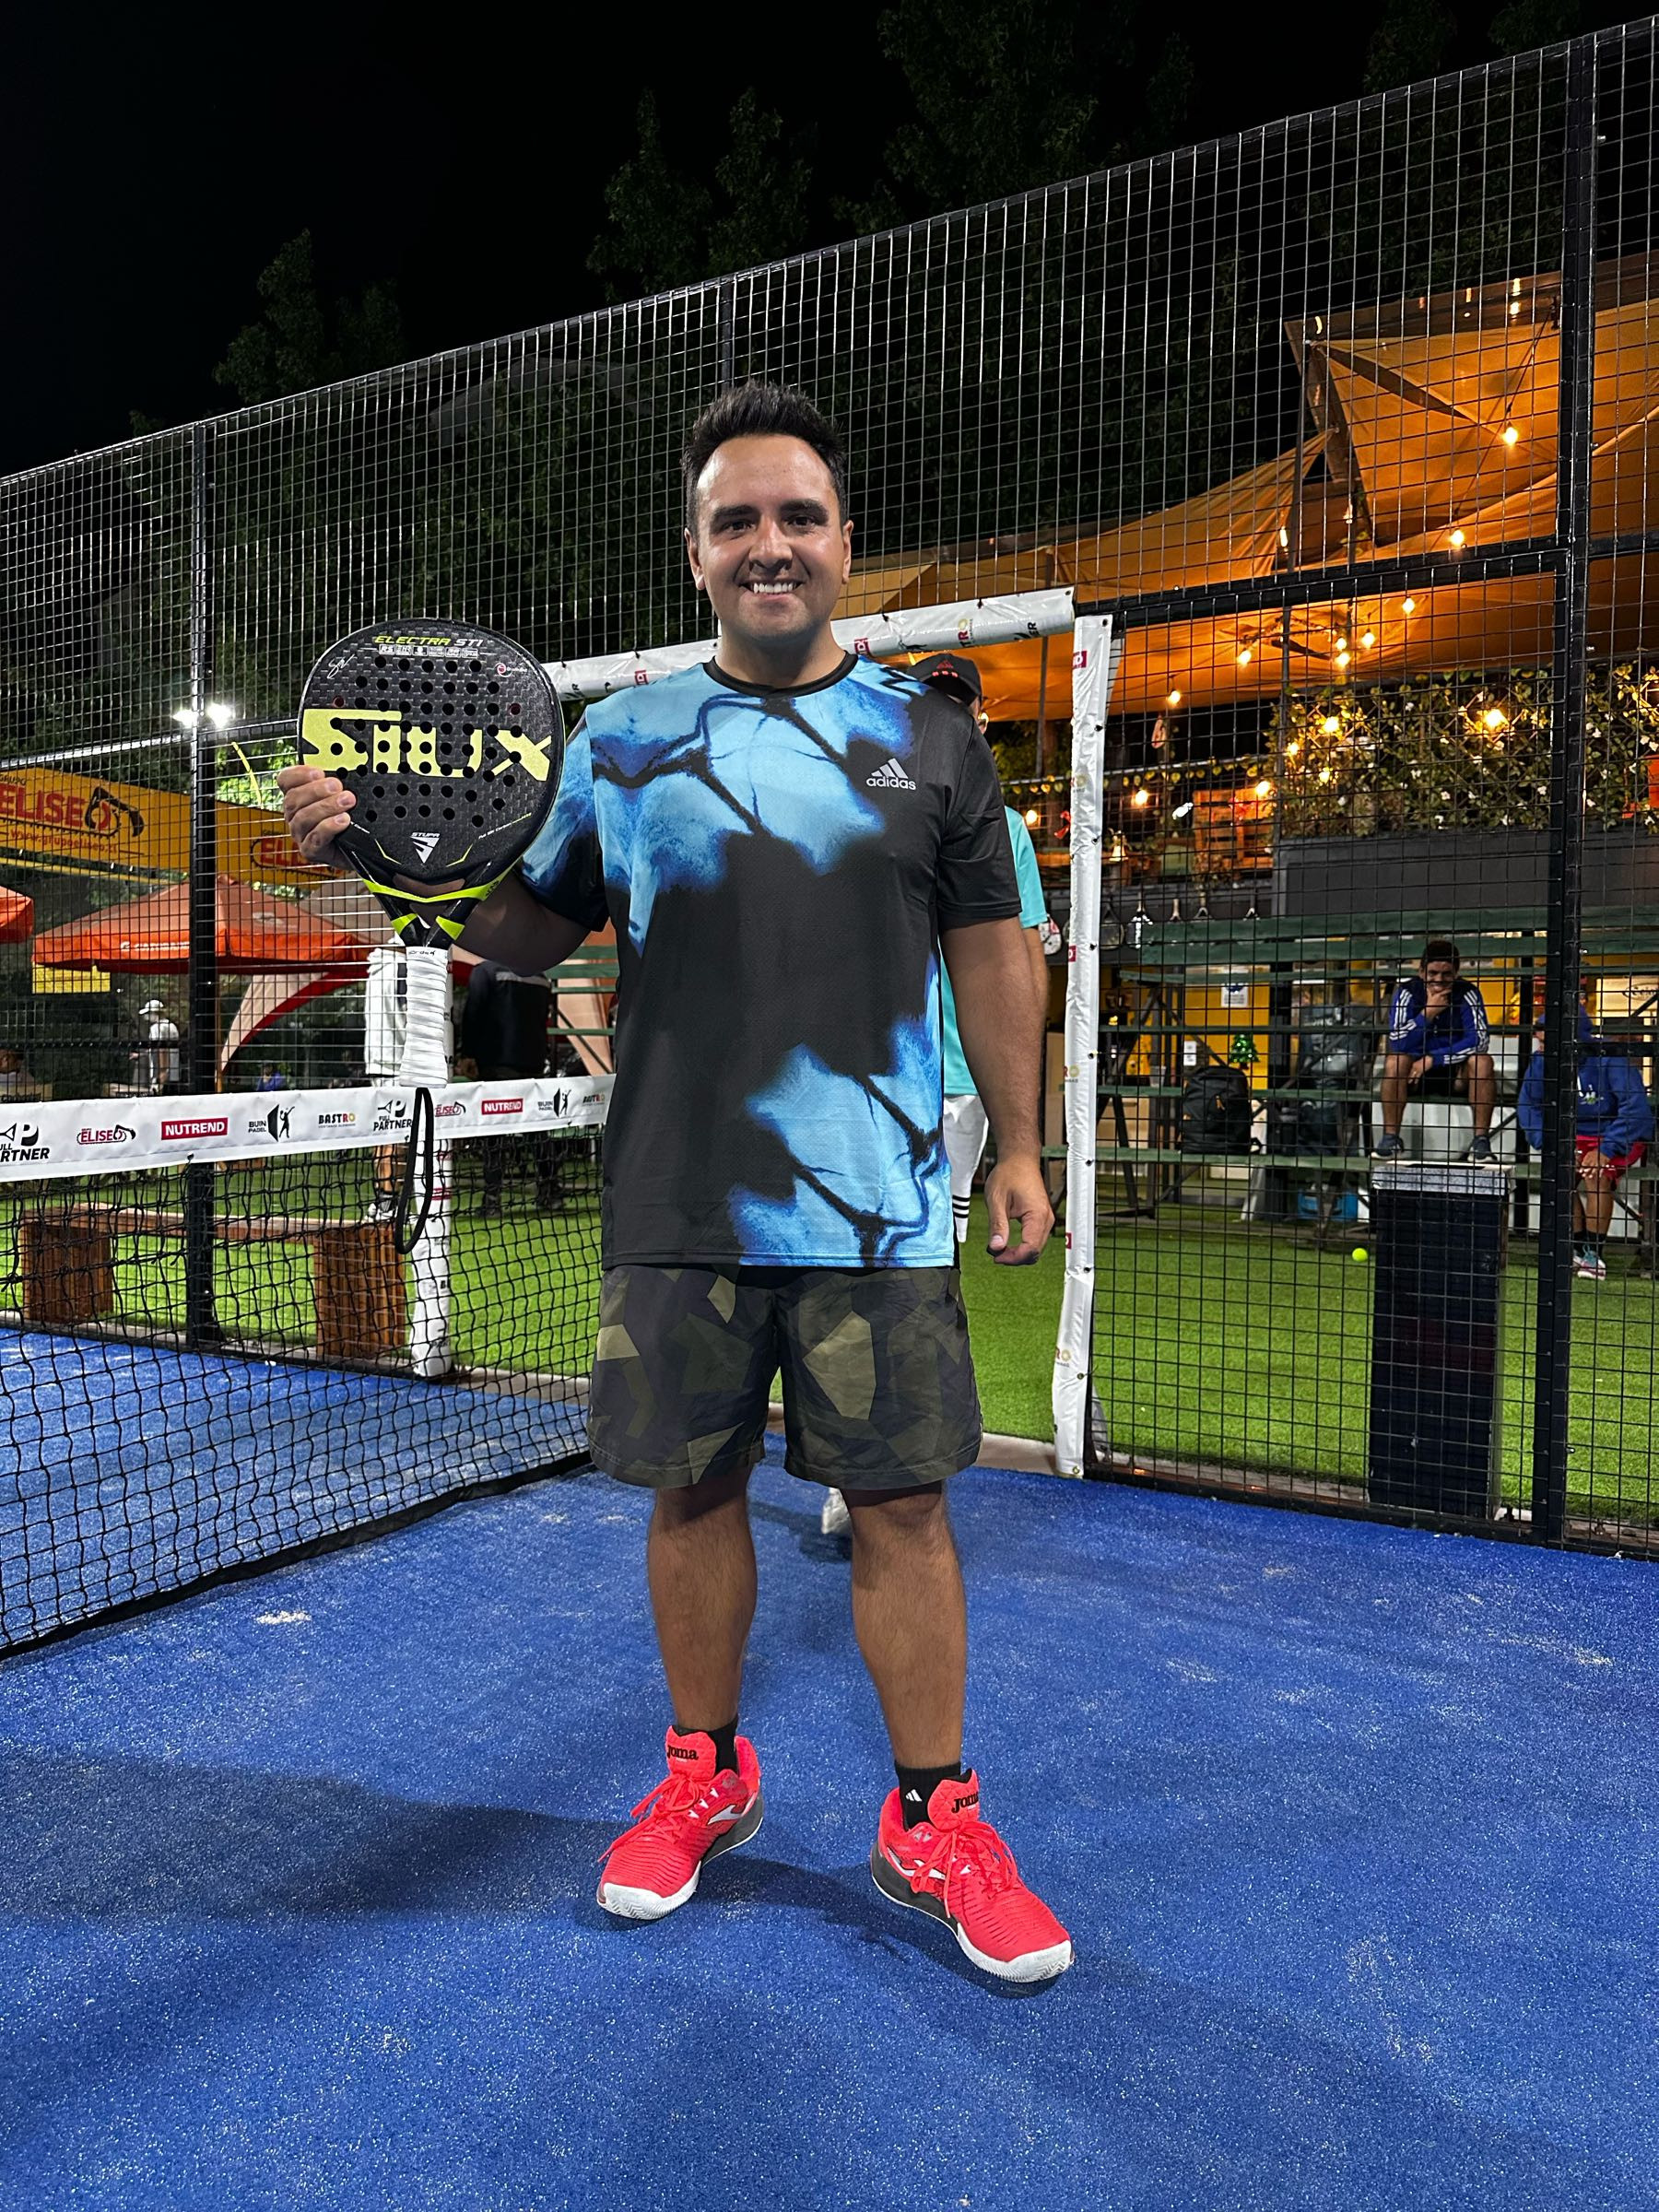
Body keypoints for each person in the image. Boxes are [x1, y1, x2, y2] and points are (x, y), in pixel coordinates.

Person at [278, 381, 1070, 1983]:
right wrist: (383, 859)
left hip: (877, 1205)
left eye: (798, 516)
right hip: (674, 1196)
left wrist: (1022, 1141)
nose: (770, 544)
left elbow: (995, 947)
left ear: (844, 541)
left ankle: (933, 1818)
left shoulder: (933, 742)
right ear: (696, 551)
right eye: (737, 521)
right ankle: (706, 1776)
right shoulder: (623, 742)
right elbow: (527, 932)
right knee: (690, 1494)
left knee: (904, 1507)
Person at [821, 650, 1051, 1539]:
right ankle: (863, 1460)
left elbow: (1021, 955)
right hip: (874, 1071)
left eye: (961, 703)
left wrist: (1023, 1121)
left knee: (920, 1267)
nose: (949, 714)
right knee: (858, 1258)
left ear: (981, 718)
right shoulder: (870, 803)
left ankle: (888, 1462)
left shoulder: (1005, 826)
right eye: (934, 700)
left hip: (956, 1083)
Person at [1517, 1013, 1653, 1279]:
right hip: (1573, 1134)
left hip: (1617, 1133)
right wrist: (1549, 1144)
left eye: (1545, 1040)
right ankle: (1578, 1250)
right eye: (1539, 1040)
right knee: (1561, 1172)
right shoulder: (1542, 1059)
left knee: (1596, 1175)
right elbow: (1528, 1105)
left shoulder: (1609, 1057)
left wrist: (1606, 1149)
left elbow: (1636, 1111)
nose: (1541, 1047)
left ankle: (1594, 1255)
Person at [1375, 940, 1496, 1163]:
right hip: (1413, 1074)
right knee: (1394, 1061)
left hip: (1456, 1073)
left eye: (1446, 974)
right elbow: (1397, 1042)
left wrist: (1434, 1059)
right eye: (1432, 973)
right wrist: (1428, 1013)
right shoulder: (1407, 992)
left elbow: (1479, 1040)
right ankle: (1390, 1139)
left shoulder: (1468, 992)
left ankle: (1481, 1142)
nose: (1439, 979)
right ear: (1421, 972)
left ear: (1456, 973)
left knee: (1483, 1062)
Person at [459, 957, 559, 1217]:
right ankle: (550, 1191)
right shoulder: (540, 976)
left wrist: (468, 1054)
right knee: (538, 1132)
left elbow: (473, 1014)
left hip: (497, 1063)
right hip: (533, 1062)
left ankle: (492, 1199)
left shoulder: (484, 973)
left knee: (494, 1136)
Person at [135, 999, 181, 1095]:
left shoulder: (156, 1028)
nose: (147, 1017)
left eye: (148, 1013)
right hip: (174, 1073)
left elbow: (162, 1049)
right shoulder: (172, 1026)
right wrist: (142, 1055)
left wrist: (163, 1071)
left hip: (160, 1075)